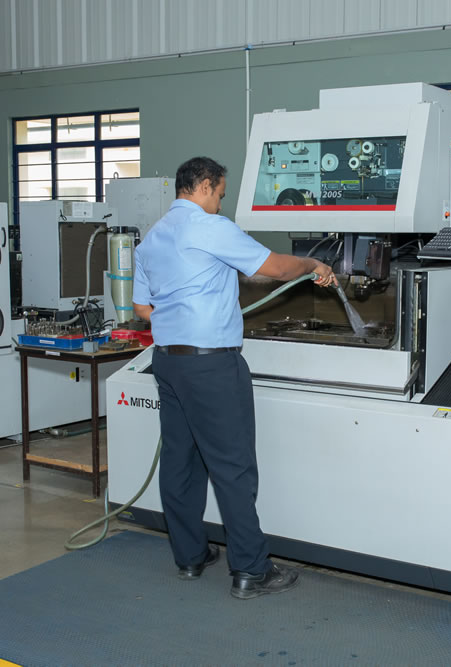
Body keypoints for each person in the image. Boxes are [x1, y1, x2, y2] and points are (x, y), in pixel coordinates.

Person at [132, 156, 335, 600]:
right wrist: (313, 265)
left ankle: (190, 557)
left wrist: (186, 307)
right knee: (233, 466)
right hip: (212, 366)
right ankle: (250, 570)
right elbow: (276, 268)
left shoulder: (153, 237)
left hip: (167, 362)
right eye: (221, 194)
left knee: (181, 462)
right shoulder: (210, 227)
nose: (220, 204)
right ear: (205, 185)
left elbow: (143, 309)